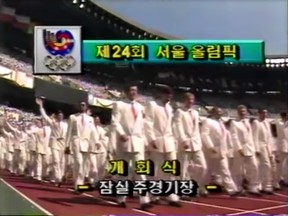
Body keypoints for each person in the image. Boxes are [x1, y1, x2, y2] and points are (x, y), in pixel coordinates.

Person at [111, 84, 152, 210]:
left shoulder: (140, 107)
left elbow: (142, 127)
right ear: (125, 91)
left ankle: (144, 200)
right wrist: (121, 133)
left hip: (138, 143)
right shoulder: (119, 104)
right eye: (131, 90)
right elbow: (115, 122)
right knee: (122, 173)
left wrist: (145, 143)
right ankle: (121, 198)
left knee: (141, 172)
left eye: (135, 90)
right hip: (124, 142)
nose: (133, 92)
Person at [145, 86, 181, 207]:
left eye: (170, 94)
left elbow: (171, 126)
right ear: (161, 94)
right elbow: (148, 123)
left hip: (169, 141)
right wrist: (151, 139)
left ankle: (171, 195)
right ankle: (154, 195)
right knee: (155, 170)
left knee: (171, 169)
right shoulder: (152, 105)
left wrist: (174, 140)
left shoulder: (170, 107)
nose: (169, 96)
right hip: (157, 141)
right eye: (166, 94)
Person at [174, 92, 208, 199]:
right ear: (184, 100)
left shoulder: (195, 112)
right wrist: (183, 140)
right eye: (189, 99)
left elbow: (197, 129)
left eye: (192, 99)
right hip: (185, 144)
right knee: (183, 170)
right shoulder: (180, 111)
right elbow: (178, 126)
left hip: (196, 144)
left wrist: (199, 142)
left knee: (203, 167)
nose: (191, 101)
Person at [201, 107, 240, 197]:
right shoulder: (208, 121)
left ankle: (232, 189)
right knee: (208, 170)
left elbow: (224, 137)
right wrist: (210, 146)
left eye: (221, 112)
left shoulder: (221, 122)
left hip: (221, 150)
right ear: (213, 112)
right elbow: (204, 134)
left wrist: (227, 149)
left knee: (225, 169)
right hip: (211, 150)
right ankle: (202, 188)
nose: (220, 113)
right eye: (218, 112)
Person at [230, 105, 261, 196]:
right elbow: (234, 137)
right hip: (240, 149)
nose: (242, 113)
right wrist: (239, 148)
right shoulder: (234, 123)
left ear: (247, 112)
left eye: (244, 111)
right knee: (238, 170)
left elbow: (251, 136)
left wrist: (254, 148)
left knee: (254, 167)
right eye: (241, 111)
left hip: (250, 149)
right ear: (237, 112)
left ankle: (253, 187)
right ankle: (238, 187)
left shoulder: (247, 122)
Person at [36, 98, 68, 186]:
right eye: (59, 116)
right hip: (54, 144)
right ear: (57, 116)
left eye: (62, 116)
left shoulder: (66, 125)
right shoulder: (53, 123)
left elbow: (68, 135)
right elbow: (45, 116)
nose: (60, 117)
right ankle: (58, 178)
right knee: (56, 161)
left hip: (62, 145)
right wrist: (41, 106)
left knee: (61, 162)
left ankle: (57, 178)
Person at [65, 101, 95, 194]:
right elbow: (69, 132)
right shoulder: (73, 117)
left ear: (86, 107)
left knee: (83, 165)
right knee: (79, 162)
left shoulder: (90, 118)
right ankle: (78, 185)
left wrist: (94, 144)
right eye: (81, 105)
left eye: (84, 105)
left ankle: (79, 184)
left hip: (86, 143)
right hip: (76, 141)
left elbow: (92, 132)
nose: (82, 106)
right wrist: (67, 146)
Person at [251, 109, 274, 194]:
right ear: (259, 113)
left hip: (267, 147)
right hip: (260, 147)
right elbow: (254, 137)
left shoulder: (267, 123)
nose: (264, 114)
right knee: (265, 165)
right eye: (263, 113)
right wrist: (256, 149)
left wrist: (270, 149)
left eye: (266, 113)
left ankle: (264, 185)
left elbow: (269, 137)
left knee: (266, 167)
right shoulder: (256, 122)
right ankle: (259, 186)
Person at [89, 116, 108, 183]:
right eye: (95, 119)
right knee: (93, 166)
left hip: (101, 149)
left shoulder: (101, 129)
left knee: (101, 167)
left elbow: (104, 138)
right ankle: (92, 180)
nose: (97, 121)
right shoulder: (90, 128)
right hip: (92, 149)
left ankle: (98, 180)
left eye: (98, 119)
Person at [275, 111, 288, 187]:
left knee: (287, 165)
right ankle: (276, 181)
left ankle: (286, 180)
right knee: (279, 165)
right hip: (281, 146)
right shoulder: (279, 123)